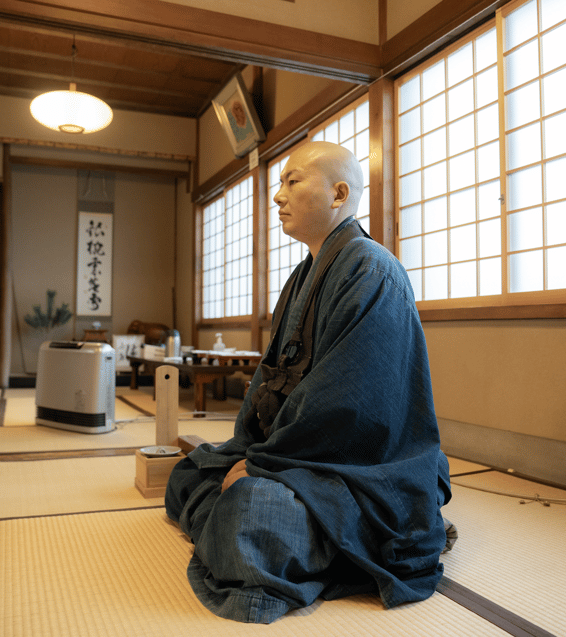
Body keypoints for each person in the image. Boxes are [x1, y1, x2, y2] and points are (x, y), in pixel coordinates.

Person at [165, 141, 452, 623]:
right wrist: (247, 452)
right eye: (280, 183)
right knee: (189, 472)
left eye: (291, 181)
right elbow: (269, 378)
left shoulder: (374, 270)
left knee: (254, 513)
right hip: (298, 453)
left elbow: (351, 401)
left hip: (357, 465)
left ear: (338, 193)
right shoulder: (301, 277)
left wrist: (262, 466)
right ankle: (314, 535)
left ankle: (322, 536)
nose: (277, 196)